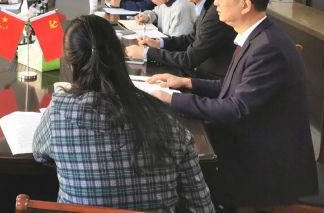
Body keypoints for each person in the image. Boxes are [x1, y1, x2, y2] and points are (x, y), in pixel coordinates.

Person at [146, 0, 318, 209]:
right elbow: (232, 86)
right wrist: (187, 82)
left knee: (179, 170)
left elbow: (235, 108)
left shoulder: (267, 48)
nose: (215, 3)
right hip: (253, 141)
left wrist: (172, 99)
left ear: (245, 4)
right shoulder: (255, 36)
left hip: (267, 164)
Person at [33, 15, 215, 213]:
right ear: (121, 56)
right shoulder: (165, 119)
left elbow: (40, 155)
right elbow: (201, 206)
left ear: (70, 64)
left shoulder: (58, 115)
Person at [126, 0, 236, 80]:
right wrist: (158, 43)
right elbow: (191, 38)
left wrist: (147, 52)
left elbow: (189, 59)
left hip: (210, 79)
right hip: (201, 72)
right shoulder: (206, 5)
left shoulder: (214, 12)